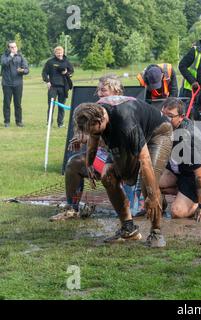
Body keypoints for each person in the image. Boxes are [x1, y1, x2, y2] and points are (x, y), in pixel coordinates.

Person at [72, 90, 173, 247]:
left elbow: (144, 160)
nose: (94, 134)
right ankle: (128, 229)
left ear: (101, 120)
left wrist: (152, 195)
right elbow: (93, 137)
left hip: (157, 133)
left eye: (96, 130)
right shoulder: (93, 112)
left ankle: (156, 232)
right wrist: (89, 163)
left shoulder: (126, 123)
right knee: (108, 176)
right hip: (124, 132)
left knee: (148, 184)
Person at [49, 75, 125, 221]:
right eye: (98, 90)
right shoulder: (96, 108)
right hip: (103, 158)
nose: (100, 93)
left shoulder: (123, 110)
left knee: (128, 210)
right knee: (74, 163)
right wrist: (80, 137)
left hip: (124, 161)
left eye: (104, 90)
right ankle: (72, 208)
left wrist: (89, 139)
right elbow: (82, 129)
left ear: (116, 91)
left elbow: (117, 143)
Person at [159, 97, 201, 221]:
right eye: (162, 114)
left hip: (200, 172)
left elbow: (200, 174)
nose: (164, 119)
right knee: (153, 181)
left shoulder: (187, 138)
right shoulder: (166, 126)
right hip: (179, 167)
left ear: (181, 117)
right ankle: (180, 196)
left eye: (170, 116)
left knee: (177, 212)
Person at [42, 46, 74, 128]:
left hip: (63, 87)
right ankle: (49, 123)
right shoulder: (50, 62)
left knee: (61, 106)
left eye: (61, 53)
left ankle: (60, 123)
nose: (59, 54)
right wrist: (47, 81)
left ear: (63, 52)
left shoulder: (67, 62)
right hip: (53, 87)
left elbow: (71, 72)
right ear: (55, 53)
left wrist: (67, 73)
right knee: (51, 105)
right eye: (58, 53)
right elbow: (44, 73)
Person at [1, 40, 29, 127]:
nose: (14, 48)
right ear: (8, 48)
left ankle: (19, 122)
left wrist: (22, 71)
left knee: (18, 103)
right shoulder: (4, 56)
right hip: (7, 83)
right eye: (12, 47)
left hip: (18, 84)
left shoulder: (20, 56)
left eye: (15, 47)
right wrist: (11, 56)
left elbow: (27, 69)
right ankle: (7, 122)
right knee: (7, 103)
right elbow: (4, 63)